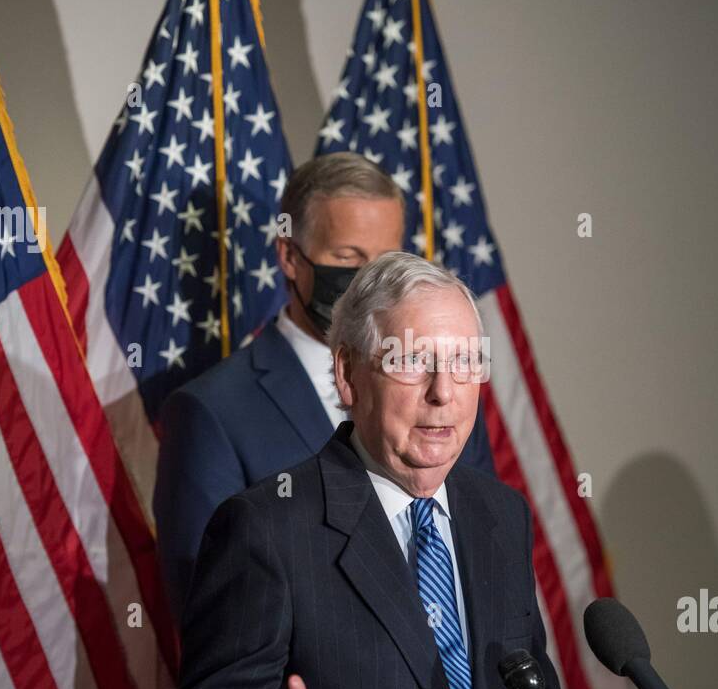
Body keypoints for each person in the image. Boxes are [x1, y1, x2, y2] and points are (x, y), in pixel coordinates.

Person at [165, 252, 718, 689]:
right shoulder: (268, 528)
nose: (444, 392)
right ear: (348, 374)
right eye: (413, 362)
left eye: (465, 362)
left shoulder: (497, 515)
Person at [154, 153, 495, 619]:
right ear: (290, 257)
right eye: (348, 258)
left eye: (386, 262)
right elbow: (211, 612)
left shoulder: (445, 393)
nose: (371, 284)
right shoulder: (211, 412)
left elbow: (484, 557)